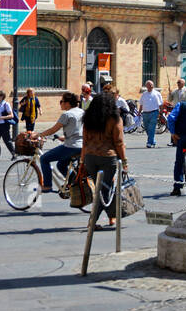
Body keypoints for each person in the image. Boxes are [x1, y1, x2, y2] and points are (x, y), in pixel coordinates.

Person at [81, 91, 128, 228]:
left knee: (99, 189)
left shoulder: (88, 118)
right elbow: (119, 142)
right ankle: (93, 220)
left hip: (90, 157)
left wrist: (82, 161)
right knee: (105, 190)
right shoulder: (114, 118)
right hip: (107, 157)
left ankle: (110, 216)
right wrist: (124, 161)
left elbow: (84, 142)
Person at [38, 92, 84, 194]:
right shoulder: (81, 112)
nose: (60, 104)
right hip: (82, 146)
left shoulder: (67, 114)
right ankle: (74, 183)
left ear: (68, 103)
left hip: (71, 146)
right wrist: (65, 137)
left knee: (44, 159)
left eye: (61, 101)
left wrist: (38, 135)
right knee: (61, 165)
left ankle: (47, 186)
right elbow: (79, 129)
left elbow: (53, 129)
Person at [138, 80, 163, 148]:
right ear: (146, 86)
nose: (151, 86)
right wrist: (139, 112)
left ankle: (149, 143)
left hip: (154, 112)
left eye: (152, 85)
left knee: (151, 128)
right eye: (149, 85)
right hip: (145, 113)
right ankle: (153, 141)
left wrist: (161, 113)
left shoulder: (157, 93)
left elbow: (160, 104)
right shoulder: (144, 94)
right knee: (146, 128)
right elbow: (141, 104)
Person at [0, 90, 16, 156]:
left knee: (7, 141)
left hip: (4, 125)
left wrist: (0, 118)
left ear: (2, 96)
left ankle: (14, 154)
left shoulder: (6, 104)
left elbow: (11, 115)